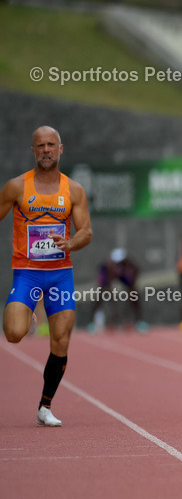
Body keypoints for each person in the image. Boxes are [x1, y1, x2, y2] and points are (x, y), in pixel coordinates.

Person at [1, 126, 92, 427]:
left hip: (60, 275)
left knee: (61, 341)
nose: (46, 150)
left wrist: (71, 243)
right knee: (13, 333)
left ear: (60, 149)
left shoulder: (74, 190)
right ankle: (28, 311)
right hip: (27, 273)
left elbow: (86, 232)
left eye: (51, 144)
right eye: (40, 146)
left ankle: (45, 406)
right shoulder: (16, 187)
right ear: (33, 150)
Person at [88, 248, 146, 333]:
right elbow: (104, 282)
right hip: (107, 281)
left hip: (125, 279)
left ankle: (138, 321)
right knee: (100, 295)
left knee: (134, 294)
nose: (118, 264)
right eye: (116, 263)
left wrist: (131, 287)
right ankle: (95, 322)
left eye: (120, 262)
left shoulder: (131, 265)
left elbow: (133, 281)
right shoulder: (106, 266)